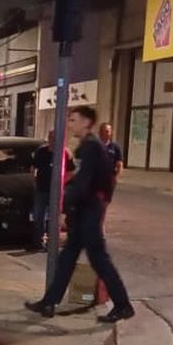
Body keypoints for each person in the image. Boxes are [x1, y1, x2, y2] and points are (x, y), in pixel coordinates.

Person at [25, 106, 135, 324]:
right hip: (87, 209)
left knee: (98, 259)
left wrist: (65, 207)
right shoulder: (87, 146)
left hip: (90, 210)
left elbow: (84, 182)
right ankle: (49, 301)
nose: (70, 124)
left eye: (74, 120)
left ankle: (123, 305)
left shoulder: (91, 147)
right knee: (68, 257)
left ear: (86, 122)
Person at [29, 131, 75, 252]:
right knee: (38, 216)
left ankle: (51, 243)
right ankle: (38, 242)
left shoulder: (64, 153)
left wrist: (63, 184)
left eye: (55, 138)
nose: (53, 140)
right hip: (41, 189)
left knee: (53, 217)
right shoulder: (41, 152)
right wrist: (34, 181)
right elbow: (33, 168)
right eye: (51, 138)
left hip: (56, 191)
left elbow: (71, 172)